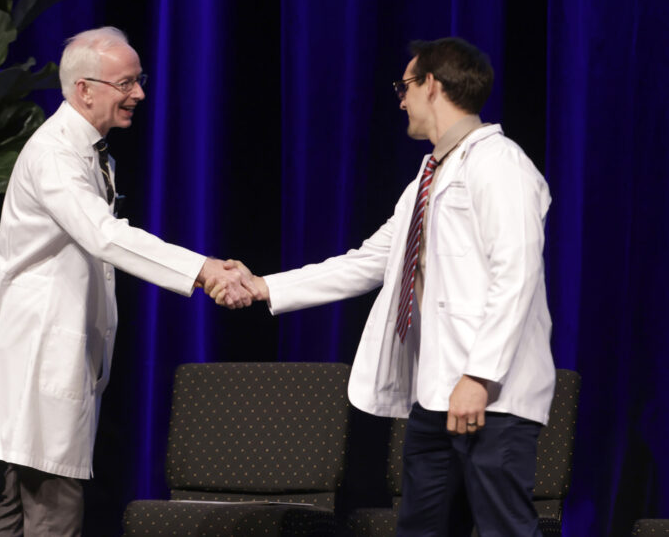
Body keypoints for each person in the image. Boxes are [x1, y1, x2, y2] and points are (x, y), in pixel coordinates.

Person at [214, 37, 554, 536]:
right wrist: (266, 287)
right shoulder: (428, 175)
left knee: (503, 527)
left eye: (406, 86)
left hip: (491, 395)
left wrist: (479, 376)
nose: (400, 99)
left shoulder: (498, 163)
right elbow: (372, 260)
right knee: (420, 527)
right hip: (435, 394)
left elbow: (516, 273)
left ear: (432, 85)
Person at [0, 26, 257, 536]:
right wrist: (203, 271)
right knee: (52, 512)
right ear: (85, 89)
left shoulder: (88, 149)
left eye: (139, 80)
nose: (140, 94)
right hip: (40, 353)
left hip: (55, 351)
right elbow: (105, 237)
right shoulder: (56, 155)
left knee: (19, 509)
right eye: (126, 83)